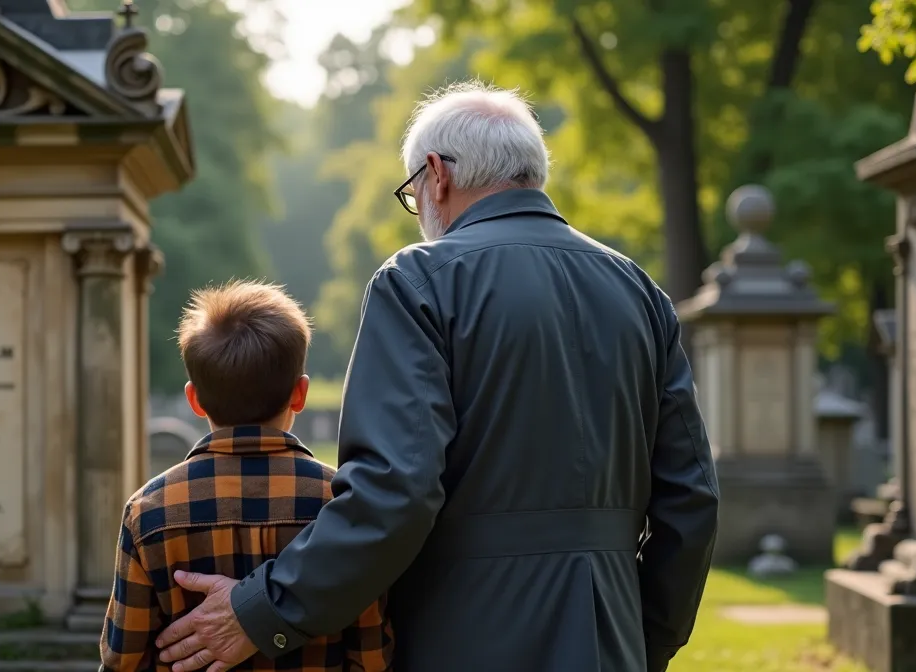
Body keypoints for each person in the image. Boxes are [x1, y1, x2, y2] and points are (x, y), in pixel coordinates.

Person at [154, 81, 720, 672]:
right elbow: (691, 498)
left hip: (461, 636)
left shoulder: (420, 281)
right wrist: (642, 636)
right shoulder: (639, 291)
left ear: (436, 175)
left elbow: (395, 489)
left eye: (412, 192)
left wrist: (264, 610)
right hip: (610, 638)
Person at [99, 280, 393, 672]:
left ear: (195, 399)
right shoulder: (343, 503)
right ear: (300, 394)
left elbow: (124, 661)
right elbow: (373, 658)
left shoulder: (148, 514)